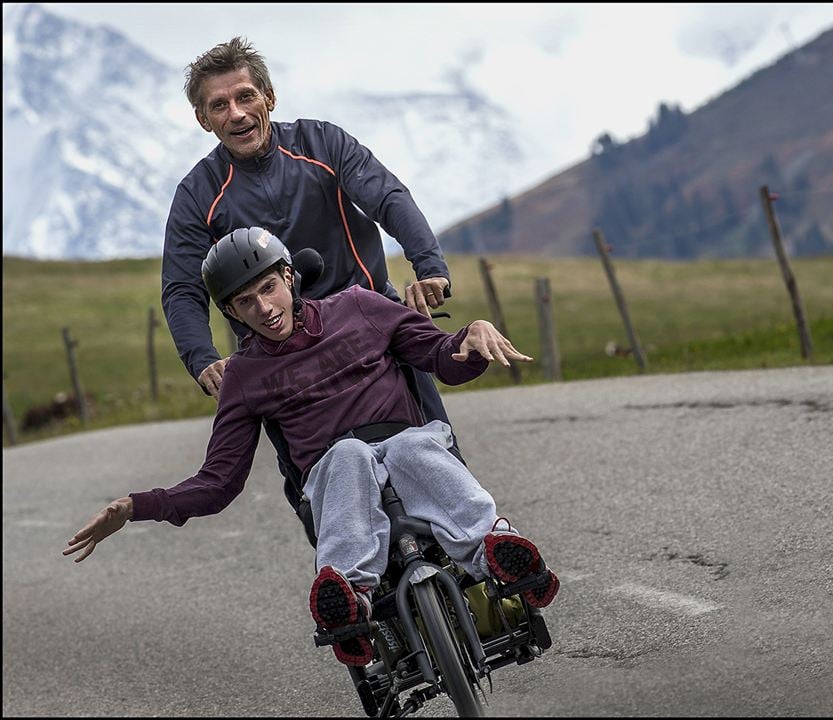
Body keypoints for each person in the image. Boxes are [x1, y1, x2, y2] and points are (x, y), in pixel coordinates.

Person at [63, 227, 559, 668]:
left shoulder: (359, 306)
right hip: (336, 475)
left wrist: (471, 337)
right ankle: (350, 600)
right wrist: (132, 507)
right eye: (245, 302)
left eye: (268, 288)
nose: (264, 308)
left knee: (410, 446)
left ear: (288, 276)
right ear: (230, 312)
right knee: (348, 455)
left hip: (407, 446)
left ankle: (499, 553)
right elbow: (218, 483)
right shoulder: (243, 376)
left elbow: (439, 356)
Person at [162, 37, 458, 464]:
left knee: (439, 452)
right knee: (314, 492)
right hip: (277, 352)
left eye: (245, 97)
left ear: (270, 97)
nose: (237, 114)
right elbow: (182, 287)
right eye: (219, 105)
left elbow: (387, 198)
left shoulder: (322, 144)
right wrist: (203, 359)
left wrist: (429, 266)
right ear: (203, 119)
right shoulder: (197, 194)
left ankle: (478, 530)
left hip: (368, 324)